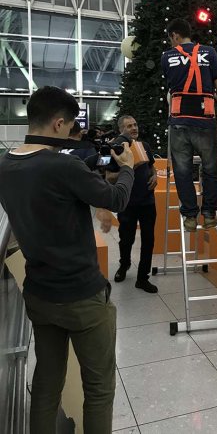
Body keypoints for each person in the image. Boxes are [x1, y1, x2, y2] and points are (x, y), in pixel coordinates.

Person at [0, 86, 135, 434]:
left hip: (40, 293)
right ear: (59, 124)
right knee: (99, 387)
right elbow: (115, 199)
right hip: (81, 296)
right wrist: (129, 168)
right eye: (71, 124)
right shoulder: (63, 165)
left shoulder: (6, 164)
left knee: (47, 382)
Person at [161, 18, 217, 232]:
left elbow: (171, 89)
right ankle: (209, 214)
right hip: (205, 121)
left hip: (179, 123)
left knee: (182, 170)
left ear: (174, 36)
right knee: (211, 169)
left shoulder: (166, 57)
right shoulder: (209, 52)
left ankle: (189, 217)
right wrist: (214, 99)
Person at [107, 115, 158, 293]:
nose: (134, 128)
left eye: (135, 124)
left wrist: (155, 176)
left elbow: (152, 167)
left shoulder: (144, 146)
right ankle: (124, 265)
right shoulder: (116, 149)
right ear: (121, 130)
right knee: (126, 238)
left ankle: (143, 278)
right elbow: (109, 178)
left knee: (148, 240)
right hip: (127, 202)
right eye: (129, 126)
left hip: (148, 201)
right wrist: (129, 167)